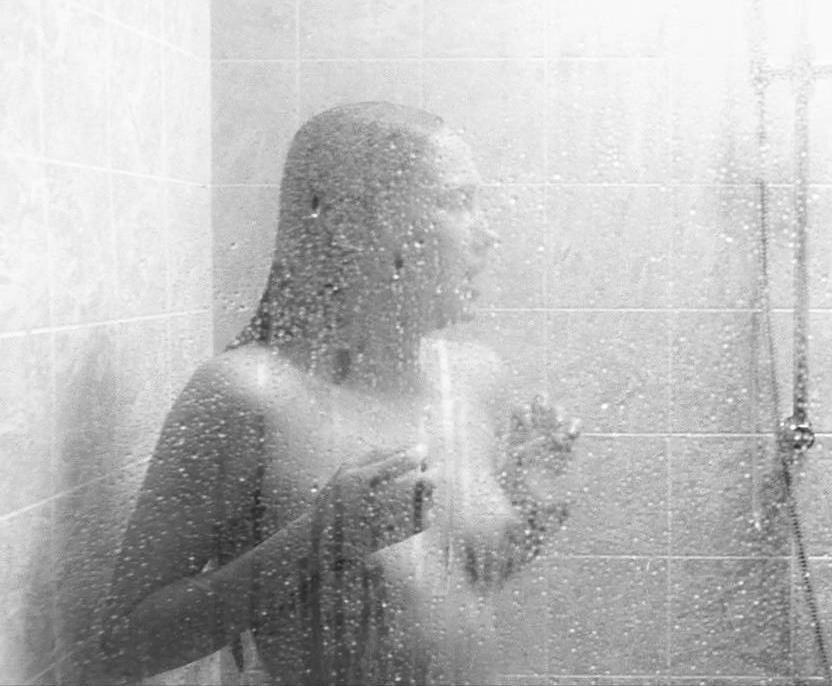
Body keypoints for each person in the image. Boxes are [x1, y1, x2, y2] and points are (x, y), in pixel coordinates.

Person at [99, 102, 579, 685]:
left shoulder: (476, 380)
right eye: (456, 201)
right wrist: (320, 541)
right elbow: (126, 644)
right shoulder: (249, 396)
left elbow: (463, 581)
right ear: (350, 227)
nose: (488, 234)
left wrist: (527, 489)